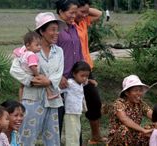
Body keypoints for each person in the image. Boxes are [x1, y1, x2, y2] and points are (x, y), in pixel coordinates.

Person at [10, 12, 65, 145]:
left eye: (58, 30)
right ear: (42, 31)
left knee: (53, 137)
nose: (56, 33)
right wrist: (30, 80)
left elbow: (59, 72)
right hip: (32, 99)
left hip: (53, 100)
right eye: (52, 29)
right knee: (27, 135)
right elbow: (14, 69)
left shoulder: (58, 51)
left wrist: (49, 81)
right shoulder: (28, 49)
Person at [73, 0, 107, 144]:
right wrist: (77, 9)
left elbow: (99, 14)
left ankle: (95, 136)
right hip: (73, 70)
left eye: (87, 12)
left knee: (94, 101)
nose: (86, 14)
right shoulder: (69, 24)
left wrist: (84, 9)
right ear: (73, 10)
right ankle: (74, 138)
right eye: (82, 12)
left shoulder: (83, 20)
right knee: (74, 105)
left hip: (87, 68)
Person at [55, 0, 85, 140]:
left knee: (74, 117)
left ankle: (75, 143)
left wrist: (84, 74)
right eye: (71, 12)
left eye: (75, 12)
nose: (74, 15)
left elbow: (79, 54)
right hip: (60, 81)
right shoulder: (55, 30)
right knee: (58, 117)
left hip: (73, 81)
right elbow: (52, 54)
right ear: (61, 12)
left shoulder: (74, 28)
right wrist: (58, 76)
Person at [107, 75, 154, 145]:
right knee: (123, 130)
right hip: (119, 140)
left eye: (140, 90)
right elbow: (124, 119)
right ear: (127, 92)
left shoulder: (140, 103)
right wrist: (143, 130)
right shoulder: (119, 104)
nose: (139, 93)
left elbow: (151, 114)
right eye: (135, 90)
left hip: (135, 136)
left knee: (153, 127)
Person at [14, 31, 58, 102]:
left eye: (40, 45)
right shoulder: (32, 55)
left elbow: (17, 51)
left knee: (21, 87)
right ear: (28, 45)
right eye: (37, 45)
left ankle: (20, 100)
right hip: (31, 73)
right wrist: (37, 75)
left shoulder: (23, 52)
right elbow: (33, 66)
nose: (39, 47)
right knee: (45, 79)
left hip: (25, 72)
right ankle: (50, 94)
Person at [60, 61, 97, 146]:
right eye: (82, 76)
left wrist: (90, 81)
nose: (84, 78)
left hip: (77, 113)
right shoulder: (69, 83)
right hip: (70, 113)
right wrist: (59, 97)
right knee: (72, 135)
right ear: (74, 74)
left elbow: (85, 82)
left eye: (86, 76)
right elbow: (59, 90)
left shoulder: (80, 83)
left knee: (76, 133)